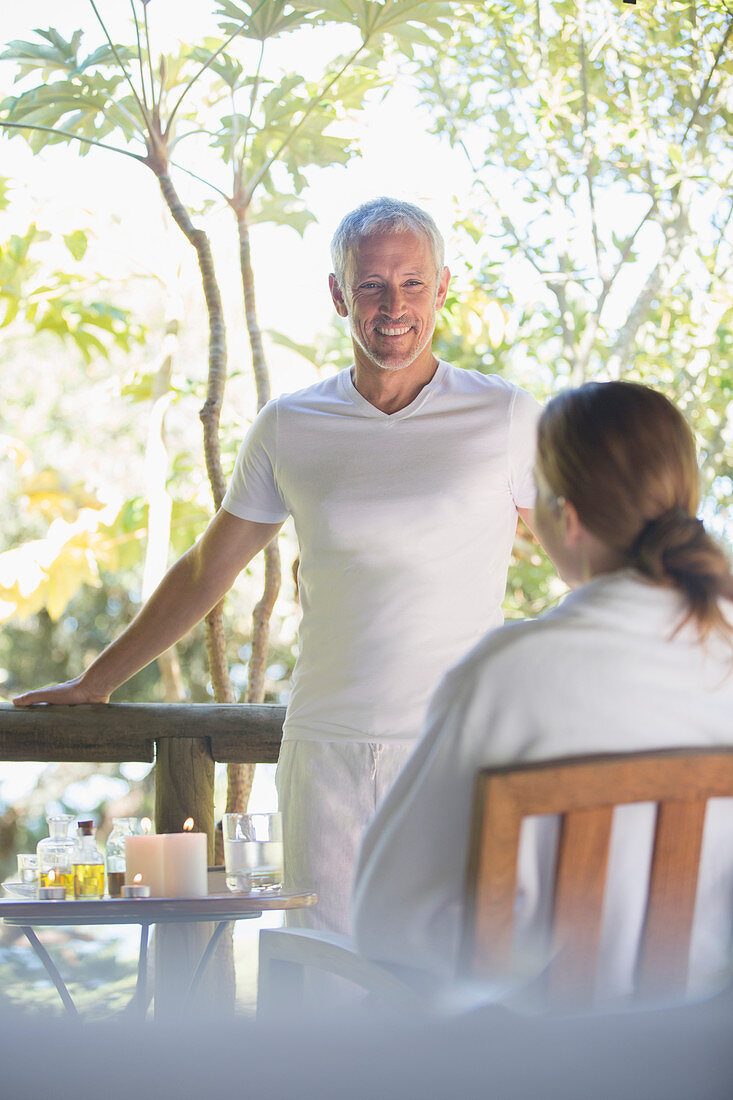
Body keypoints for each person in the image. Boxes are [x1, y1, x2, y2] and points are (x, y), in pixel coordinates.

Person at [14, 197, 541, 933]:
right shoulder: (291, 424)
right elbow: (207, 570)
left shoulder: (506, 416)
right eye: (371, 286)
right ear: (337, 294)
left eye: (413, 284)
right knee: (326, 980)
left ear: (443, 287)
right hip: (325, 747)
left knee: (456, 976)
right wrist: (96, 680)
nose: (393, 306)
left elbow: (581, 547)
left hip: (457, 746)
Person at [353, 381, 733, 1006]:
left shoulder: (506, 676)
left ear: (569, 517)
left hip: (538, 1068)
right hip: (701, 1058)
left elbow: (385, 920)